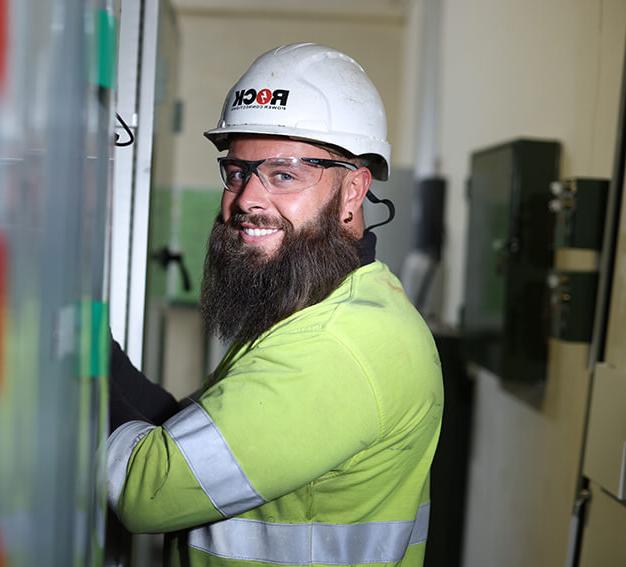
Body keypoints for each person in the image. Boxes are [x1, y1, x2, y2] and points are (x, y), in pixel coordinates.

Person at [107, 43, 444, 566]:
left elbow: (145, 489)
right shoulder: (319, 305)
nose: (247, 198)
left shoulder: (336, 346)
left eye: (284, 174)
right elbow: (192, 435)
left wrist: (60, 387)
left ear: (353, 190)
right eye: (238, 171)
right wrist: (94, 354)